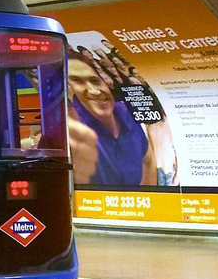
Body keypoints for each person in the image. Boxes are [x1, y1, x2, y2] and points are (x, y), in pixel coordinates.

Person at [67, 51, 156, 187]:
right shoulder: (71, 128)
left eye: (95, 81)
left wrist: (149, 201)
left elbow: (148, 160)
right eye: (77, 81)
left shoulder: (127, 112)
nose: (94, 91)